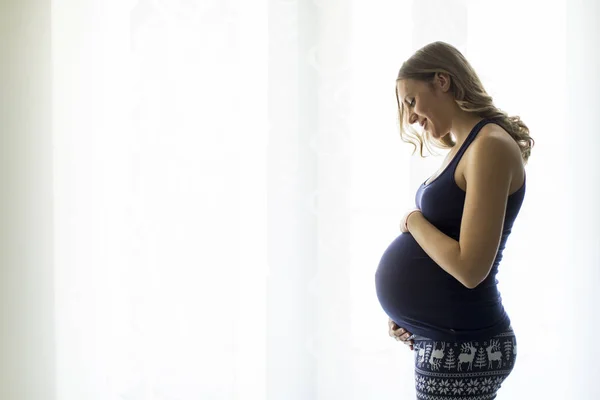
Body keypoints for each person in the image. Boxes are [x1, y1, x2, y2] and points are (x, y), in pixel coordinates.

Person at [374, 41, 534, 399]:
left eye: (412, 100)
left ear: (442, 81)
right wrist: (410, 316)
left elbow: (470, 267)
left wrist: (414, 221)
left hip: (466, 345)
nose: (411, 117)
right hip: (448, 340)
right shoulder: (463, 149)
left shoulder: (489, 145)